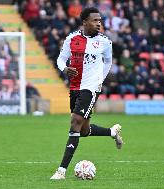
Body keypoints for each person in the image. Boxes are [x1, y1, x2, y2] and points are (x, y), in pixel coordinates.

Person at [50, 7, 123, 180]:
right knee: (83, 130)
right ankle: (112, 132)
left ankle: (61, 171)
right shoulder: (72, 38)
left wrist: (100, 81)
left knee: (75, 122)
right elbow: (60, 59)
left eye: (100, 20)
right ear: (85, 22)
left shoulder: (105, 42)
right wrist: (65, 68)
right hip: (75, 86)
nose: (99, 23)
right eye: (95, 20)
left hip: (90, 87)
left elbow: (108, 62)